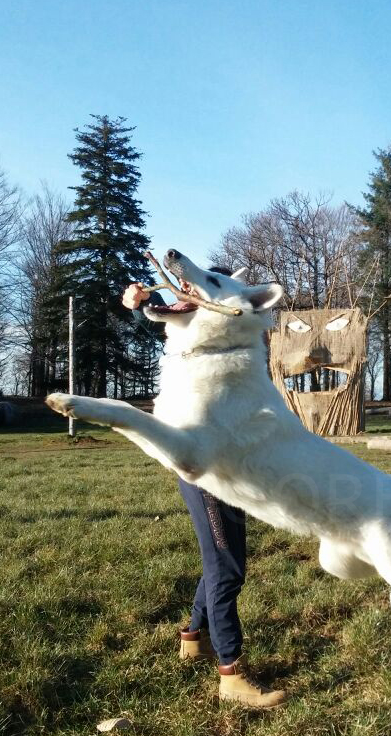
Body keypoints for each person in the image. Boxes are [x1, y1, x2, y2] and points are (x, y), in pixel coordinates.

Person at [122, 269, 287, 709]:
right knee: (228, 568)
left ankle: (193, 637)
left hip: (232, 466)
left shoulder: (230, 336)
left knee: (221, 561)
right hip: (208, 467)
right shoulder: (192, 345)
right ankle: (230, 674)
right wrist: (140, 310)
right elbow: (169, 324)